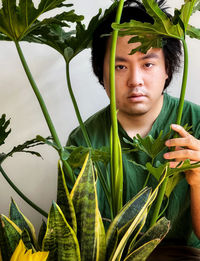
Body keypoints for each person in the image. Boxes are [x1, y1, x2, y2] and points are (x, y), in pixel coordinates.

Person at [67, 0, 200, 259]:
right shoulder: (83, 140)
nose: (135, 80)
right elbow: (83, 243)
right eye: (120, 67)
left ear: (167, 70)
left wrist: (198, 181)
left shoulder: (197, 122)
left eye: (148, 64)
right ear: (101, 74)